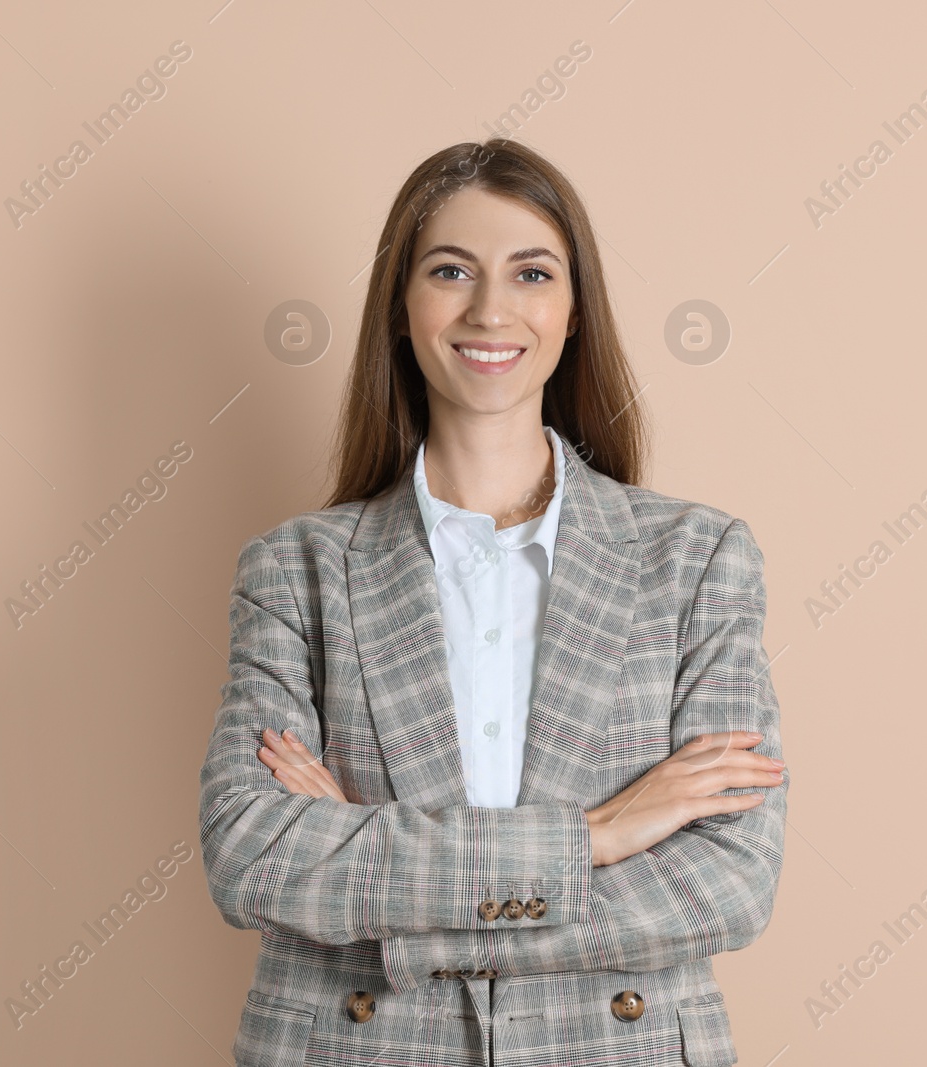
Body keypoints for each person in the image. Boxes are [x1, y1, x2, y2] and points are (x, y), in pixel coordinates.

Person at [198, 137, 787, 1067]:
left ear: (574, 310)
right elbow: (251, 855)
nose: (490, 309)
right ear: (401, 305)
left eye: (531, 273)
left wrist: (380, 879)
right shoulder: (294, 570)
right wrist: (597, 836)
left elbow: (729, 881)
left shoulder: (698, 558)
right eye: (450, 270)